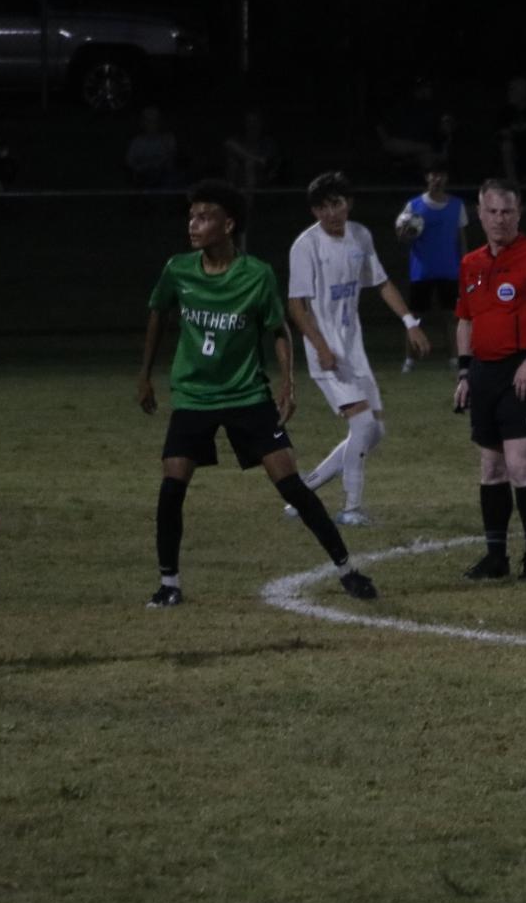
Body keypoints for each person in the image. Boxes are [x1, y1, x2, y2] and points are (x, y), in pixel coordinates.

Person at [137, 179, 379, 607]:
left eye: (204, 216)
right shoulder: (178, 269)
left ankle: (347, 570)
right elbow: (158, 312)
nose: (193, 224)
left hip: (247, 395)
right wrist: (145, 375)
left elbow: (277, 329)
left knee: (291, 485)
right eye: (191, 216)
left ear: (228, 225)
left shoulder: (257, 274)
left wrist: (288, 382)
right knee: (172, 485)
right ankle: (169, 583)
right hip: (194, 396)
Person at [284, 171, 430, 526]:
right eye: (321, 207)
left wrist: (410, 322)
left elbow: (380, 283)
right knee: (363, 424)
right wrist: (320, 346)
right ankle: (350, 509)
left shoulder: (360, 236)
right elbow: (296, 305)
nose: (331, 213)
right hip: (326, 350)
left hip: (354, 349)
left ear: (347, 203)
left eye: (336, 203)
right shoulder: (306, 246)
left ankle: (303, 492)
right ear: (314, 212)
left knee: (374, 431)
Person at [453, 180, 526, 582]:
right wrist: (465, 373)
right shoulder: (471, 262)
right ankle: (495, 557)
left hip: (523, 371)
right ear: (480, 214)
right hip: (484, 373)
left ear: (518, 214)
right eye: (492, 211)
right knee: (490, 468)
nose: (499, 219)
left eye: (507, 212)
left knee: (521, 464)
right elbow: (466, 318)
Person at [396, 164, 470, 367]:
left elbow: (461, 239)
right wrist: (403, 235)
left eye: (441, 175)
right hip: (421, 271)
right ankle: (409, 361)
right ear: (427, 177)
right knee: (415, 318)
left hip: (450, 270)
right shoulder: (413, 206)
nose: (437, 179)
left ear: (446, 178)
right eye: (433, 174)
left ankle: (455, 359)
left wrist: (465, 265)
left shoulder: (457, 205)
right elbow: (403, 237)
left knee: (451, 317)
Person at [223, 108, 280, 191]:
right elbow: (228, 144)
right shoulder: (240, 140)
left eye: (255, 122)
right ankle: (231, 194)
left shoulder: (267, 143)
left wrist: (253, 162)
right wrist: (256, 159)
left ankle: (249, 201)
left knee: (249, 165)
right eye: (249, 122)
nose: (252, 125)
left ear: (261, 124)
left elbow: (267, 164)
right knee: (232, 162)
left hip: (261, 179)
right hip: (239, 180)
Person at [125, 104, 179, 189]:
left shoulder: (168, 139)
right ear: (143, 123)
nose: (151, 125)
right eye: (148, 121)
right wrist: (144, 167)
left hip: (164, 177)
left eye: (154, 121)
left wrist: (157, 165)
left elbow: (170, 159)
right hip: (143, 177)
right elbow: (130, 162)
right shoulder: (137, 142)